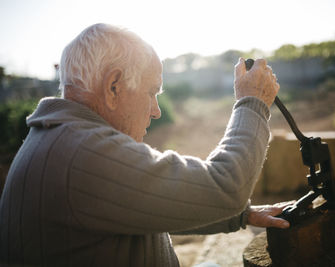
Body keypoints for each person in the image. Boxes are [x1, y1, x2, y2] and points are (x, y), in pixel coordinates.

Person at [0, 23, 288, 267]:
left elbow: (134, 202)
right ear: (114, 86)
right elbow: (227, 187)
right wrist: (253, 103)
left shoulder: (64, 139)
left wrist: (240, 215)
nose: (156, 111)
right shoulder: (80, 151)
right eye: (151, 93)